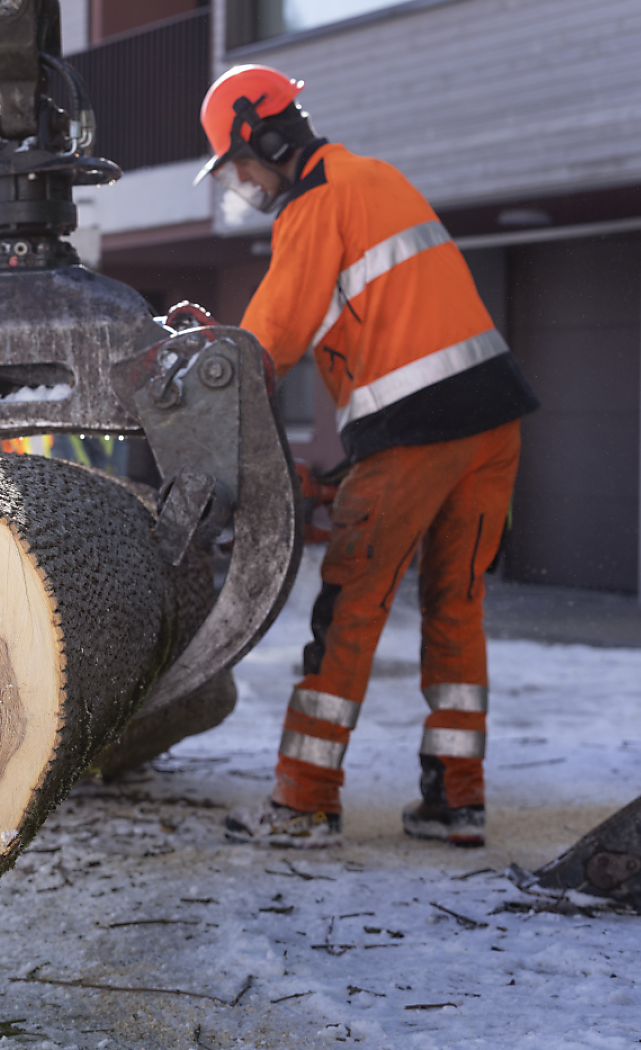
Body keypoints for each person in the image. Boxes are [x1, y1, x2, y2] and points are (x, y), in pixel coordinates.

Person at [194, 66, 539, 848]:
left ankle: (304, 802)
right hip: (493, 420)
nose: (241, 180)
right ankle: (458, 801)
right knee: (457, 607)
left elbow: (269, 343)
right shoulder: (377, 177)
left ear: (269, 139)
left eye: (239, 163)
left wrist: (211, 398)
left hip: (418, 433)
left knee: (348, 608)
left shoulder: (314, 206)